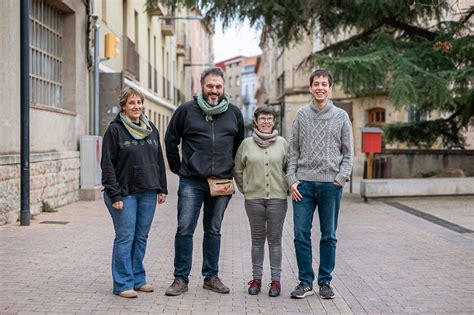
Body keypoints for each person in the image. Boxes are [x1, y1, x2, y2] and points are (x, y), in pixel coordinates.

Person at [164, 67, 245, 296]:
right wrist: (177, 168)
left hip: (221, 183)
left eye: (218, 86)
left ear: (223, 87)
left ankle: (211, 277)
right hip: (191, 181)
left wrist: (232, 170)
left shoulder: (234, 113)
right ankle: (180, 279)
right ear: (202, 86)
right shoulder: (186, 111)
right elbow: (170, 139)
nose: (214, 91)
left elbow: (240, 145)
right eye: (210, 86)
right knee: (184, 229)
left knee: (213, 229)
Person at [286, 69, 353, 299]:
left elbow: (348, 153)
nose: (320, 87)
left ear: (330, 87)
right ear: (310, 87)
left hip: (330, 185)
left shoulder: (341, 116)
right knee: (300, 233)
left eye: (324, 83)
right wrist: (292, 180)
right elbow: (292, 151)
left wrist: (340, 179)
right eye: (316, 83)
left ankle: (325, 282)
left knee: (329, 235)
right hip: (303, 185)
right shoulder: (301, 115)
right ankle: (305, 282)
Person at [101, 87, 167, 298]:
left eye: (139, 102)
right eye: (132, 103)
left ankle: (138, 279)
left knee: (141, 237)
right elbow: (107, 165)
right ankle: (122, 283)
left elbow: (158, 159)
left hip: (148, 191)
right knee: (125, 237)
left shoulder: (150, 128)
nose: (137, 106)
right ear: (123, 106)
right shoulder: (115, 130)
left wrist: (162, 187)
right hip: (124, 193)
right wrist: (115, 195)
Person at [234, 106, 288, 297]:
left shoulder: (282, 143)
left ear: (274, 122)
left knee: (275, 240)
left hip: (278, 199)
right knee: (257, 240)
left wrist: (287, 187)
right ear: (255, 121)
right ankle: (256, 279)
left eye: (270, 118)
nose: (266, 122)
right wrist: (246, 188)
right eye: (263, 118)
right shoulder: (246, 144)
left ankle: (275, 282)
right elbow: (238, 169)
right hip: (253, 200)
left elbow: (289, 168)